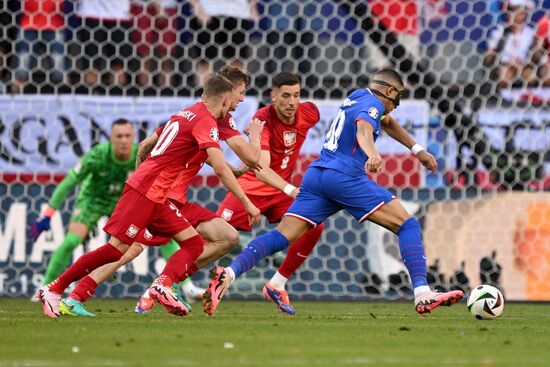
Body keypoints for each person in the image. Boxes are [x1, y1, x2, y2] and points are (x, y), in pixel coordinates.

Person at [204, 69, 464, 317]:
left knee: (281, 236)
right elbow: (364, 128)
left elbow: (387, 122)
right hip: (345, 176)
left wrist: (417, 149)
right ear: (388, 91)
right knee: (407, 224)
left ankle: (230, 272)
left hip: (318, 174)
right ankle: (422, 293)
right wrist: (372, 152)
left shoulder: (359, 96)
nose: (399, 102)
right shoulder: (371, 105)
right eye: (399, 95)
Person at [36, 74, 261, 318]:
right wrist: (248, 201)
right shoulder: (207, 121)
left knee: (197, 242)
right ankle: (56, 289)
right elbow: (232, 163)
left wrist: (144, 171)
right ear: (226, 97)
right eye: (240, 93)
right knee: (118, 250)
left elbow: (147, 145)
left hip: (158, 195)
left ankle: (163, 285)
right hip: (150, 192)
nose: (241, 99)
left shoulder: (187, 113)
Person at [215, 71, 325, 315]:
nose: (292, 102)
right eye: (285, 96)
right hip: (254, 188)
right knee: (216, 236)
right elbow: (262, 167)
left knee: (314, 224)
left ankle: (277, 283)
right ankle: (174, 282)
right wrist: (290, 189)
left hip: (280, 194)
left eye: (296, 95)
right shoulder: (262, 119)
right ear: (273, 96)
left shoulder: (310, 113)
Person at [30, 119, 138, 286]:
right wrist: (47, 215)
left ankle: (186, 287)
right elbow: (69, 182)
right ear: (111, 138)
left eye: (127, 136)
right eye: (119, 136)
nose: (123, 140)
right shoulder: (97, 155)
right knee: (71, 241)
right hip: (93, 199)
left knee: (163, 235)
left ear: (134, 136)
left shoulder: (141, 155)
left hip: (123, 203)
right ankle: (43, 289)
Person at [11, 0, 66, 93]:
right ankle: (14, 101)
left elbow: (61, 6)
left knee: (59, 69)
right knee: (21, 69)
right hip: (28, 26)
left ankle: (65, 100)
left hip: (54, 26)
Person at [484, 0, 537, 90]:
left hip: (524, 66)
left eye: (523, 12)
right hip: (504, 66)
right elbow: (489, 59)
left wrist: (524, 63)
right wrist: (492, 53)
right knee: (505, 74)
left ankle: (528, 100)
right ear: (508, 13)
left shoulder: (530, 33)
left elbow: (536, 57)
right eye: (516, 11)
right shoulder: (499, 32)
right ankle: (503, 100)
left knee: (531, 75)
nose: (521, 15)